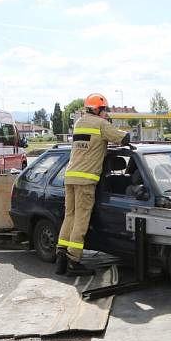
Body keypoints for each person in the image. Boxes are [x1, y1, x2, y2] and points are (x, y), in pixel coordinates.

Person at [55, 93, 130, 276]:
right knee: (81, 219)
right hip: (86, 180)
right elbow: (123, 138)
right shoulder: (101, 124)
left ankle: (61, 257)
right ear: (98, 109)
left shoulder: (79, 123)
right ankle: (74, 260)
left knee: (69, 216)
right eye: (104, 110)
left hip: (70, 177)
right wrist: (114, 126)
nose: (106, 113)